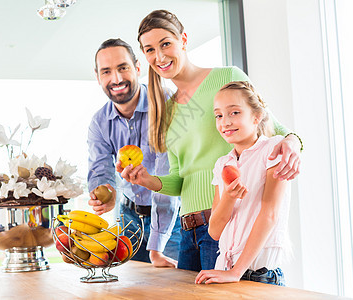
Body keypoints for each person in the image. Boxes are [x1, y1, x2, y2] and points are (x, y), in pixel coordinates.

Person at [117, 10, 302, 271]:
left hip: (225, 223)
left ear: (183, 39)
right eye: (149, 49)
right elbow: (182, 178)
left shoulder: (226, 77)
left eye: (165, 43)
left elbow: (277, 129)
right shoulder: (167, 109)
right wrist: (147, 180)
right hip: (187, 233)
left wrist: (293, 145)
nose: (159, 56)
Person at [87, 38, 181, 267]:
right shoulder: (99, 122)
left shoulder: (167, 105)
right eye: (106, 71)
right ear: (98, 76)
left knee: (175, 288)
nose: (116, 79)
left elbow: (166, 179)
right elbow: (100, 168)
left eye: (123, 68)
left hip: (173, 220)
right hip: (128, 218)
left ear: (137, 68)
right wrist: (104, 191)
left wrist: (157, 246)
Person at [195, 81, 290, 286]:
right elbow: (214, 231)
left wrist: (237, 271)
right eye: (219, 115)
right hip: (225, 272)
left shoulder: (273, 150)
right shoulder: (222, 164)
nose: (225, 122)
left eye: (234, 112)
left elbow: (270, 214)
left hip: (259, 276)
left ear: (257, 117)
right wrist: (229, 198)